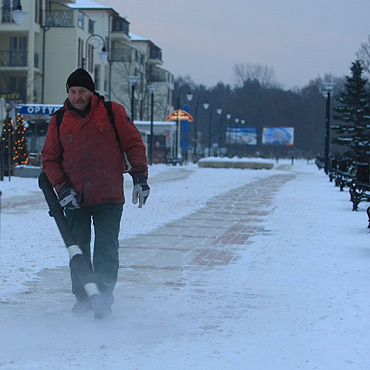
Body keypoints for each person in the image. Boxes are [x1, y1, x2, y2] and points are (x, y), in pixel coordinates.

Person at [41, 68, 149, 318]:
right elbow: (50, 159)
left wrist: (140, 178)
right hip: (74, 199)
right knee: (77, 249)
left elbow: (133, 144)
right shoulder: (59, 120)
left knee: (106, 249)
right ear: (68, 92)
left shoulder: (112, 112)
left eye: (82, 91)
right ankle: (84, 296)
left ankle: (104, 298)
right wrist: (62, 188)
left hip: (109, 196)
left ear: (92, 92)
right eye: (73, 91)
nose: (77, 96)